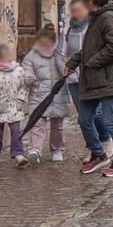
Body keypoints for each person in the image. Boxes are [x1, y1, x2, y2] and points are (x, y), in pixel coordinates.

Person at [70, 0, 113, 178]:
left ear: (91, 0)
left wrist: (93, 62)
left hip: (107, 79)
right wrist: (73, 62)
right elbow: (90, 48)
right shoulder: (96, 19)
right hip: (94, 79)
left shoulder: (108, 18)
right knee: (85, 119)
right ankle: (98, 153)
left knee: (110, 120)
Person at [64, 0, 111, 162]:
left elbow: (95, 49)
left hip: (90, 75)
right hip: (73, 78)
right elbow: (61, 51)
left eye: (79, 10)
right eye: (73, 11)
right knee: (84, 116)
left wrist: (87, 62)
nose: (76, 14)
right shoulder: (68, 29)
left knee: (96, 114)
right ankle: (93, 148)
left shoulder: (94, 27)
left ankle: (105, 139)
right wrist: (66, 64)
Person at [21, 25, 70, 163]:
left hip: (58, 95)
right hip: (38, 95)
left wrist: (68, 65)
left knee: (58, 126)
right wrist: (28, 77)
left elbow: (69, 69)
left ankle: (57, 149)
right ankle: (35, 150)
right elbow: (25, 70)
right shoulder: (31, 56)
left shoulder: (60, 54)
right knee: (37, 123)